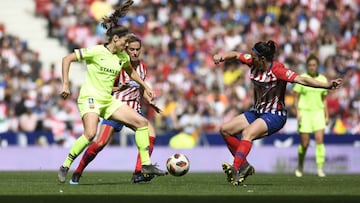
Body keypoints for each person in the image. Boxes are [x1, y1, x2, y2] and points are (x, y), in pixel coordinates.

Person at [57, 0, 167, 183]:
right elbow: (67, 58)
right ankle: (66, 164)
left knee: (142, 123)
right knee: (91, 134)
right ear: (116, 39)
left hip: (108, 100)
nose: (126, 46)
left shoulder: (122, 56)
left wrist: (146, 86)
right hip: (90, 98)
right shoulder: (96, 51)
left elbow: (131, 71)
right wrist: (66, 85)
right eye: (125, 42)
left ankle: (145, 164)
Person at [212, 40, 343, 186]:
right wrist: (222, 56)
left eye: (254, 56)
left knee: (247, 133)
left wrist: (328, 85)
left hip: (275, 115)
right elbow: (236, 55)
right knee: (225, 130)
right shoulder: (252, 61)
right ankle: (244, 166)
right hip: (257, 112)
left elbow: (302, 80)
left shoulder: (278, 70)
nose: (250, 57)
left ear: (262, 59)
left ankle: (235, 168)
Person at [69, 34, 162, 184]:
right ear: (126, 48)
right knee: (99, 143)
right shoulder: (118, 63)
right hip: (115, 107)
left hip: (133, 109)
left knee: (151, 134)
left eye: (137, 49)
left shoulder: (143, 68)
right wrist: (118, 87)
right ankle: (78, 171)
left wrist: (149, 101)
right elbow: (104, 86)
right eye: (131, 49)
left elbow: (139, 88)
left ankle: (138, 172)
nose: (135, 52)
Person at [293, 54, 329, 178]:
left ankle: (320, 168)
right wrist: (298, 112)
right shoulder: (302, 78)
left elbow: (324, 100)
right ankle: (300, 165)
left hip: (318, 112)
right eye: (310, 65)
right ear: (307, 66)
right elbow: (296, 97)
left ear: (318, 66)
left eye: (314, 65)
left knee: (320, 140)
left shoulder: (323, 80)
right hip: (305, 112)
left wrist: (327, 115)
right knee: (305, 144)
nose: (312, 67)